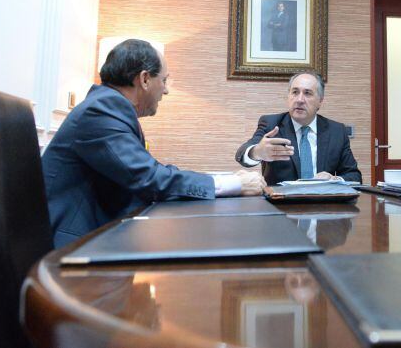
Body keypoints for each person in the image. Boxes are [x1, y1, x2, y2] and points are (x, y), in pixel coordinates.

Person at [42, 39, 265, 248]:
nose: (166, 90)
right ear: (145, 79)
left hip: (99, 232)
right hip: (73, 246)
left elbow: (152, 172)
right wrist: (234, 184)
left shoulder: (109, 107)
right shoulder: (101, 110)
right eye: (164, 80)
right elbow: (149, 178)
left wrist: (223, 181)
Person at [235, 71, 362, 185]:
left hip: (323, 204)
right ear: (288, 96)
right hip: (281, 204)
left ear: (320, 101)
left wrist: (334, 180)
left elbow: (354, 176)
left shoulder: (336, 131)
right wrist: (257, 152)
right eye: (295, 92)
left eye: (307, 93)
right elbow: (241, 154)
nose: (300, 99)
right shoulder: (271, 124)